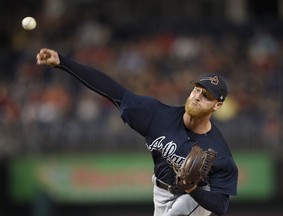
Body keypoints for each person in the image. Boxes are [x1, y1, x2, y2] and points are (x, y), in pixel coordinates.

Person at [36, 48, 238, 216]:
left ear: (217, 106)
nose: (197, 97)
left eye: (206, 96)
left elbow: (221, 205)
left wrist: (193, 188)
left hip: (194, 197)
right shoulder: (157, 116)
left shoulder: (218, 151)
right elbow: (111, 90)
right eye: (196, 90)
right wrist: (62, 62)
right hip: (160, 191)